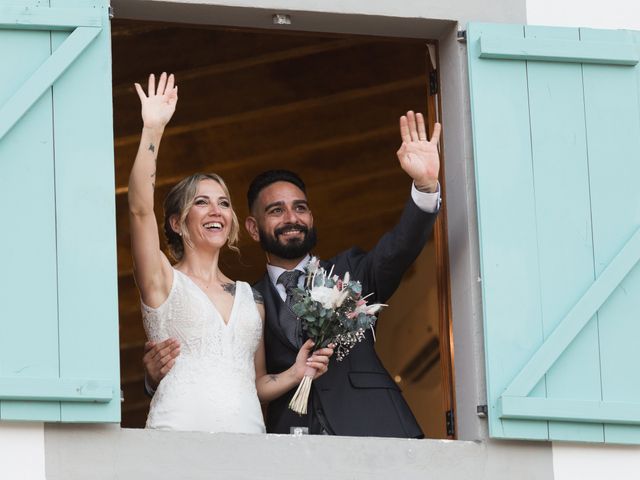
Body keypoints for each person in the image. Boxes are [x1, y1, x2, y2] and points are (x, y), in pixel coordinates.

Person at [145, 109, 441, 437]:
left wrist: (425, 187)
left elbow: (399, 249)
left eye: (300, 208)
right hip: (292, 447)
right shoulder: (245, 300)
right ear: (253, 229)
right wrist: (155, 375)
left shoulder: (351, 271)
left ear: (311, 217)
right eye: (277, 210)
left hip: (375, 430)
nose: (292, 217)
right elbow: (224, 372)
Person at [130, 72, 333, 433]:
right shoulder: (163, 280)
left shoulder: (250, 296)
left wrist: (295, 372)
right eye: (202, 202)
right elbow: (140, 209)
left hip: (247, 440)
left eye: (223, 203)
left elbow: (256, 386)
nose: (216, 211)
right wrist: (153, 129)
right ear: (177, 222)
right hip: (177, 434)